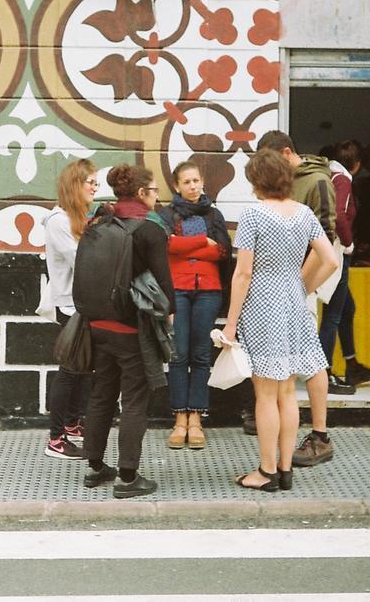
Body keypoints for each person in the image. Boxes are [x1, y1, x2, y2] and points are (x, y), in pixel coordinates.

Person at [220, 149, 339, 491]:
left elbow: (242, 274)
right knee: (288, 392)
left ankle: (266, 471)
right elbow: (329, 259)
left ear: (258, 181)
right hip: (294, 305)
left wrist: (230, 323)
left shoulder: (253, 216)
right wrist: (302, 287)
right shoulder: (303, 214)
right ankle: (285, 470)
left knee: (265, 394)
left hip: (262, 307)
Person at [78, 164, 174, 499]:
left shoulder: (100, 223)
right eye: (154, 190)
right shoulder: (150, 231)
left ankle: (94, 467)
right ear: (141, 193)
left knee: (101, 394)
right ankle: (128, 477)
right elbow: (165, 286)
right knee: (135, 398)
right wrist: (169, 314)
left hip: (97, 323)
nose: (157, 196)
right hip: (133, 328)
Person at [255, 130, 337, 467]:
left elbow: (328, 240)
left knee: (312, 357)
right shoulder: (293, 184)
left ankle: (319, 434)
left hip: (307, 273)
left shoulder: (316, 180)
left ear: (286, 153)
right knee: (296, 358)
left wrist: (301, 285)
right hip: (291, 278)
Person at [157, 161, 231, 450]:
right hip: (177, 291)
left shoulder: (214, 214)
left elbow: (223, 250)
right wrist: (203, 242)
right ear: (176, 186)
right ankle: (179, 419)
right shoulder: (165, 214)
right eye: (186, 182)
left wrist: (185, 243)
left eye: (196, 180)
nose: (193, 186)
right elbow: (165, 246)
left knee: (201, 355)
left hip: (209, 291)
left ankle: (196, 418)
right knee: (178, 355)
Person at [40, 159, 98, 460]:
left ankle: (73, 424)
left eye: (96, 182)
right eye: (90, 181)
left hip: (81, 303)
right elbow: (83, 261)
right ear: (74, 184)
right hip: (69, 305)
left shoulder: (77, 219)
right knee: (70, 370)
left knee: (82, 369)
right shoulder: (59, 221)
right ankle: (56, 438)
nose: (94, 187)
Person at [318, 139, 370, 391]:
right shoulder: (343, 180)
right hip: (338, 252)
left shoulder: (329, 175)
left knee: (346, 307)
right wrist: (349, 243)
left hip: (330, 251)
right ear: (357, 164)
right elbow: (339, 216)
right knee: (333, 314)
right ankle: (325, 373)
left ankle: (351, 364)